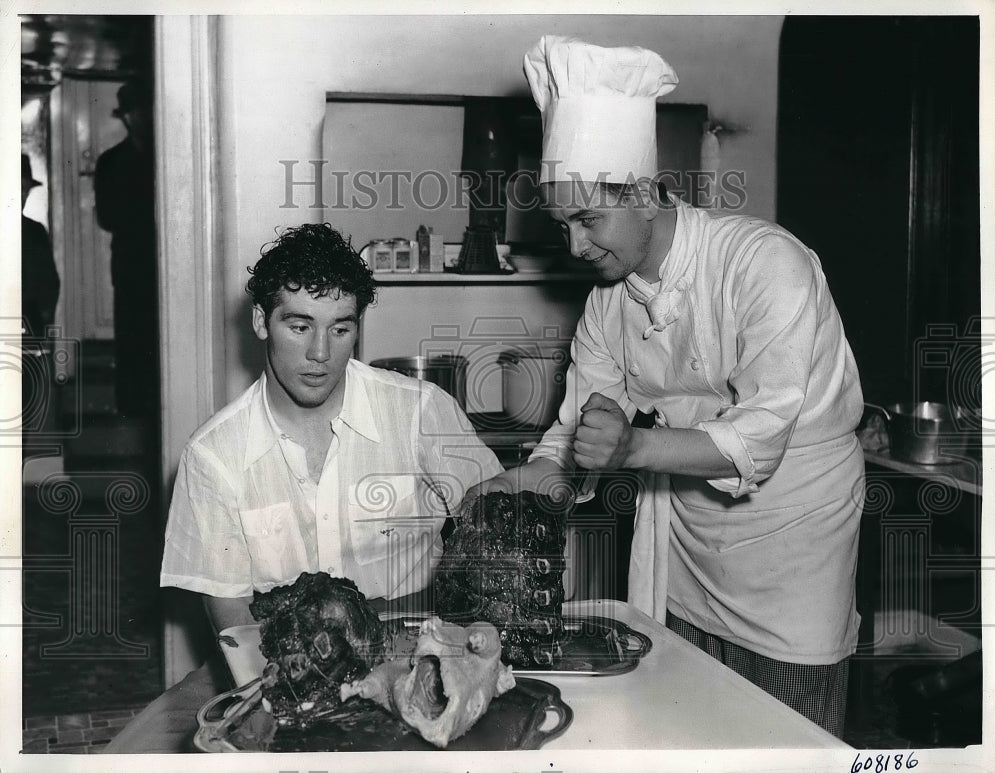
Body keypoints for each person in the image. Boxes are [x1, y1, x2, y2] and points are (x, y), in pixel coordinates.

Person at [475, 36, 865, 738]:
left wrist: (631, 447)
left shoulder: (765, 264)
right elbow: (571, 444)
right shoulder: (608, 302)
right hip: (687, 543)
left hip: (795, 545)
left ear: (645, 194)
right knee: (690, 725)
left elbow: (760, 440)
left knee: (790, 737)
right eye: (562, 226)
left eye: (588, 220)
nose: (575, 247)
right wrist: (506, 491)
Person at [160, 223, 503, 633]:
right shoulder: (212, 457)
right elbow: (236, 630)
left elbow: (499, 530)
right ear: (261, 321)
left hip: (420, 650)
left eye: (340, 329)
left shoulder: (420, 411)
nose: (320, 353)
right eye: (300, 327)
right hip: (287, 660)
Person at [94, 79, 157, 419]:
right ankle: (131, 408)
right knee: (131, 334)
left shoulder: (167, 157)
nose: (143, 118)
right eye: (136, 112)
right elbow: (107, 217)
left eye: (147, 110)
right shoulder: (110, 162)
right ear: (127, 117)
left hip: (164, 266)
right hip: (131, 263)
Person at [21, 153, 60, 338]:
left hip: (26, 320)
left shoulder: (34, 232)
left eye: (25, 191)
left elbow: (49, 282)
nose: (22, 196)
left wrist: (44, 315)